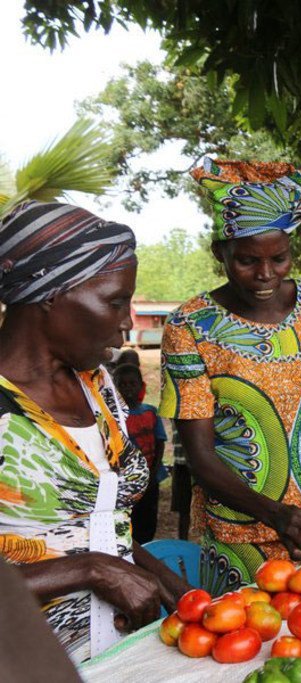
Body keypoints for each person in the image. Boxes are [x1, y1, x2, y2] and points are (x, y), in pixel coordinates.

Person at [161, 159, 301, 595]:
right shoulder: (189, 326)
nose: (265, 275)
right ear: (218, 252)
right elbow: (201, 454)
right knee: (246, 646)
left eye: (279, 258)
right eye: (246, 260)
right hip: (241, 536)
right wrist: (274, 513)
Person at [0, 201, 190, 663]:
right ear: (50, 294)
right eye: (115, 301)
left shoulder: (98, 387)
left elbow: (103, 526)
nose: (127, 322)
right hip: (29, 663)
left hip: (123, 657)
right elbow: (92, 559)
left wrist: (179, 592)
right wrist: (88, 570)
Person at [113, 364, 167, 544]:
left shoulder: (150, 412)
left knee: (149, 517)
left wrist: (153, 472)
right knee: (128, 519)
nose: (128, 388)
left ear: (140, 386)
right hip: (126, 481)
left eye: (132, 383)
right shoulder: (114, 417)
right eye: (123, 384)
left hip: (152, 478)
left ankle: (147, 549)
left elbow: (160, 443)